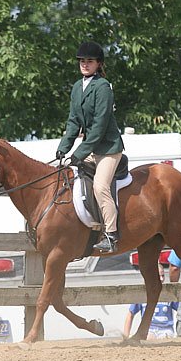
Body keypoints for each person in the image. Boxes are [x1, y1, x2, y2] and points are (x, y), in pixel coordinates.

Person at [56, 41, 125, 253]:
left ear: (98, 64)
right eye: (82, 61)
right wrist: (63, 148)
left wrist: (79, 153)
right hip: (92, 149)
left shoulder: (103, 87)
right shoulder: (77, 87)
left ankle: (111, 234)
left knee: (100, 187)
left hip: (108, 149)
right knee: (65, 176)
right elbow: (73, 120)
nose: (85, 64)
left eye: (90, 61)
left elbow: (99, 126)